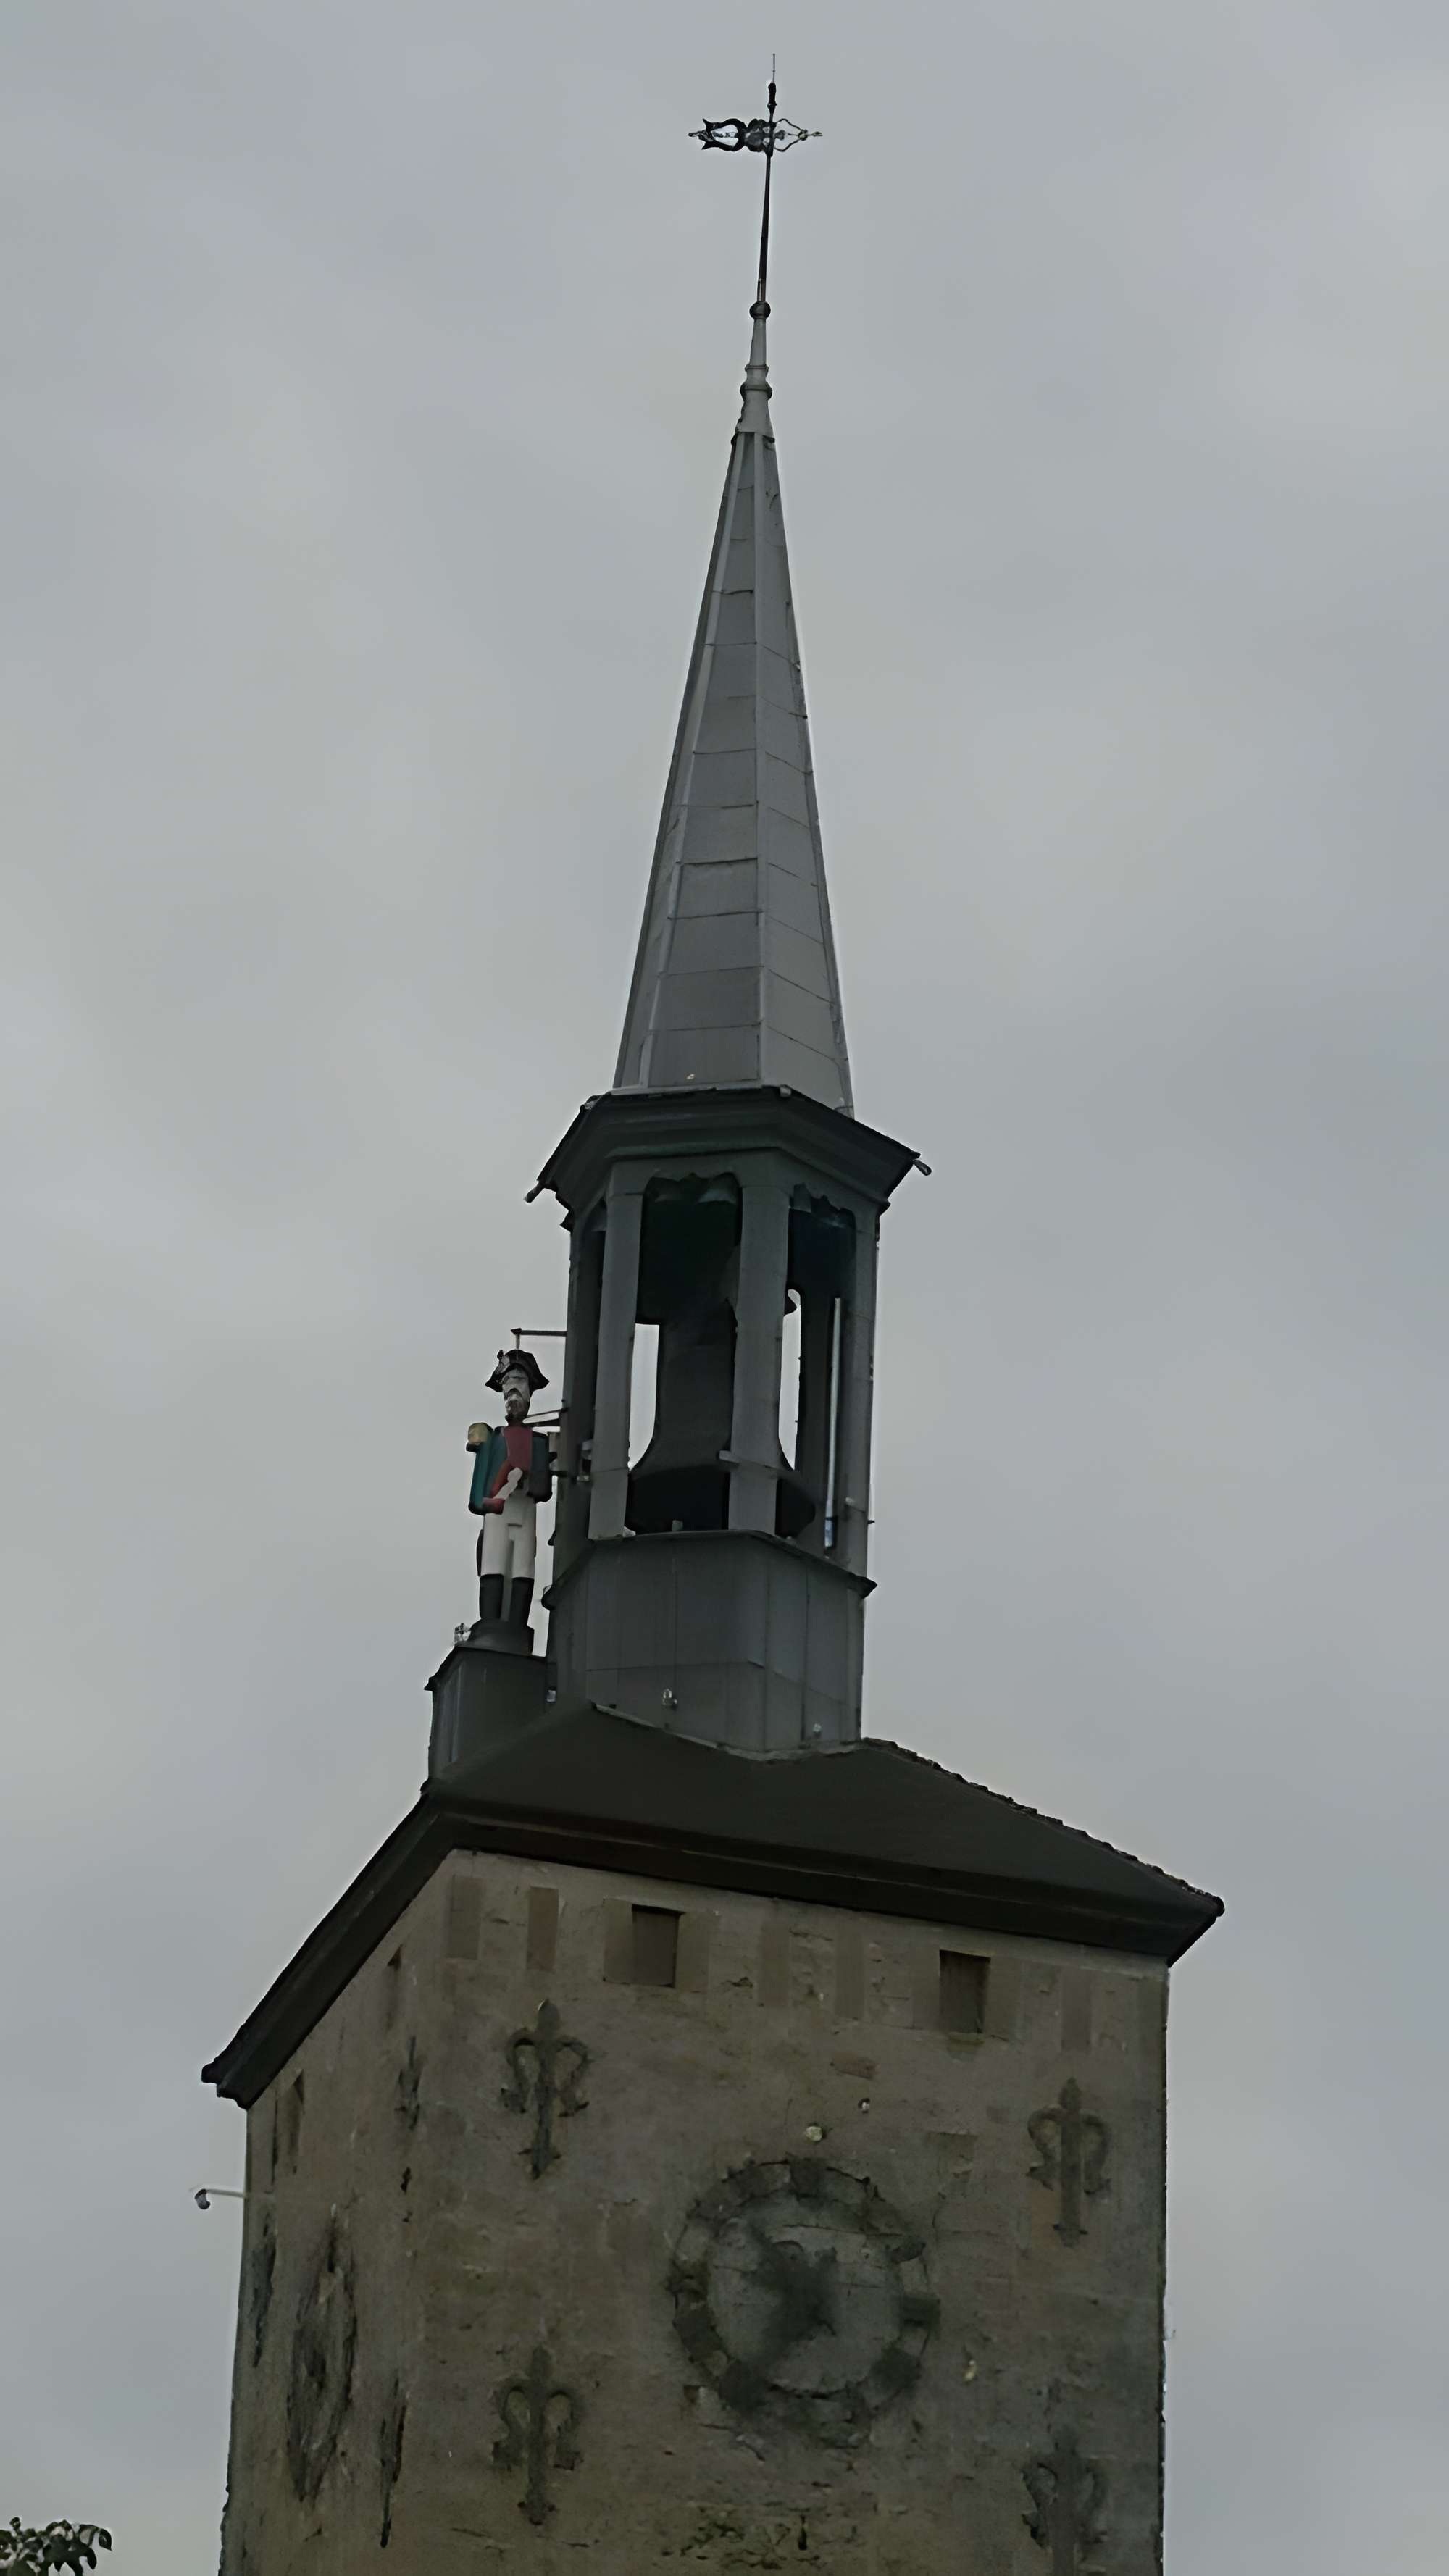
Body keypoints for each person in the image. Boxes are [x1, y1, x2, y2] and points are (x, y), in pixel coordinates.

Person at [467, 1347, 553, 1632]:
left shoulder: (538, 1442)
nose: (513, 1390)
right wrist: (486, 1499)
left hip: (524, 1509)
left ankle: (517, 1625)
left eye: (520, 1382)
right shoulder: (492, 1439)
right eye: (508, 1384)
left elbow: (542, 1488)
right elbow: (479, 1488)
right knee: (493, 1563)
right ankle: (489, 1624)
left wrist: (529, 1480)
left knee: (523, 1568)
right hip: (497, 1511)